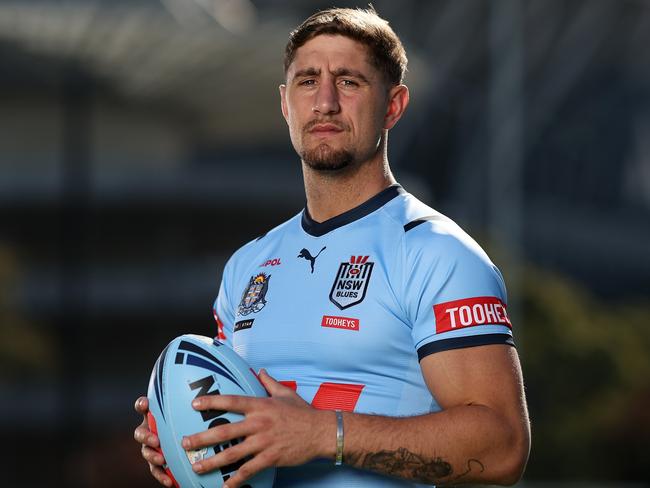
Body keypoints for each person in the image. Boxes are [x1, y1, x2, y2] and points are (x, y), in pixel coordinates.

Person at [134, 6, 530, 488]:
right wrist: (183, 444)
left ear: (394, 105)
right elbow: (240, 431)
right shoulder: (248, 265)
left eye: (348, 82)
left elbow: (504, 448)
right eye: (307, 81)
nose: (324, 102)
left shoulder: (439, 254)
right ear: (285, 103)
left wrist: (324, 434)